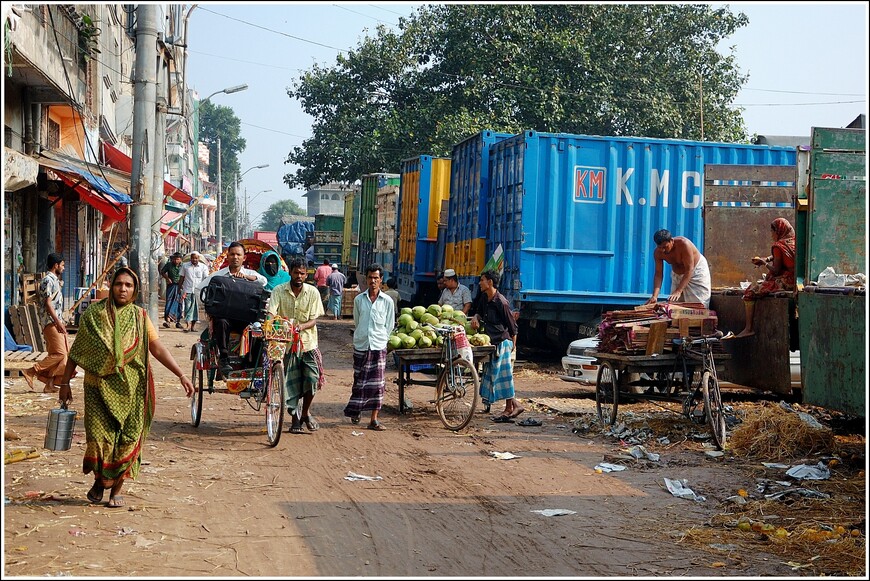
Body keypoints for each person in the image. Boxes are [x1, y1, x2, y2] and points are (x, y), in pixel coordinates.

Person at [56, 267, 194, 508]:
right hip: (97, 388)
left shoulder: (140, 317)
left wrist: (180, 374)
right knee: (99, 439)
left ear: (134, 290)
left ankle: (115, 491)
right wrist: (65, 383)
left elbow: (157, 348)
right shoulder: (94, 315)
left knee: (128, 438)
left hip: (133, 390)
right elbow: (77, 352)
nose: (123, 289)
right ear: (112, 285)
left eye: (128, 286)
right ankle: (100, 480)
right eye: (119, 284)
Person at [268, 258, 326, 434]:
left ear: (306, 273)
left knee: (312, 380)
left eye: (302, 273)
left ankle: (305, 413)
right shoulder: (278, 291)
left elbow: (315, 319)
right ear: (290, 273)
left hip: (308, 343)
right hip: (286, 345)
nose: (299, 276)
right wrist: (269, 325)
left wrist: (301, 326)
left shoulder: (313, 292)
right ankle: (295, 419)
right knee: (291, 384)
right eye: (296, 273)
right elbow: (271, 312)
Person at [198, 241, 267, 377]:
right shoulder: (218, 276)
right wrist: (208, 308)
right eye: (232, 254)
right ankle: (224, 358)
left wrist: (248, 278)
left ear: (244, 258)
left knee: (257, 330)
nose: (235, 257)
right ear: (227, 256)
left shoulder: (250, 273)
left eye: (238, 255)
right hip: (225, 319)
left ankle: (250, 363)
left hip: (244, 319)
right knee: (221, 322)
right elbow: (199, 289)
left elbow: (263, 281)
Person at [344, 263, 395, 430]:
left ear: (381, 280)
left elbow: (389, 325)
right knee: (359, 381)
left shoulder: (387, 301)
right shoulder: (359, 299)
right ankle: (357, 410)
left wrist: (382, 340)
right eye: (370, 278)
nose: (373, 281)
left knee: (378, 384)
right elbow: (358, 322)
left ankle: (374, 419)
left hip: (378, 346)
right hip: (361, 345)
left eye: (376, 278)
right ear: (366, 280)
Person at [470, 269, 521, 422]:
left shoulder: (501, 302)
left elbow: (513, 328)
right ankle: (513, 406)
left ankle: (511, 408)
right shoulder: (485, 298)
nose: (479, 283)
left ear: (490, 282)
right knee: (498, 377)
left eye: (482, 280)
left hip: (503, 343)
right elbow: (479, 312)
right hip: (491, 342)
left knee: (504, 377)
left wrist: (512, 347)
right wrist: (476, 318)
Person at [736, 217, 797, 338]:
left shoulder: (778, 246)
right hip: (795, 280)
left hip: (786, 282)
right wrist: (767, 259)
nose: (771, 235)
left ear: (778, 231)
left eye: (772, 231)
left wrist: (764, 264)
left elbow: (776, 271)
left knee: (749, 292)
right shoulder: (793, 241)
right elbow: (782, 258)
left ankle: (748, 328)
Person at [22, 253, 68, 393]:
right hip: (50, 322)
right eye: (63, 265)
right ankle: (31, 371)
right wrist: (58, 322)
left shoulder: (54, 280)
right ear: (56, 265)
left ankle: (50, 383)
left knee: (63, 355)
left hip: (55, 321)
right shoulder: (48, 280)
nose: (64, 268)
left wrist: (61, 321)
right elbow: (48, 304)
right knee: (60, 354)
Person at [645, 229, 711, 307]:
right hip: (677, 275)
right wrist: (655, 296)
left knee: (699, 305)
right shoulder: (657, 253)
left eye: (665, 247)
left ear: (672, 241)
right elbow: (658, 274)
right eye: (660, 247)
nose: (663, 250)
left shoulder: (684, 244)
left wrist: (679, 291)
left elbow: (689, 269)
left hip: (695, 272)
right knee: (675, 306)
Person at [179, 251, 209, 333]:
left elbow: (206, 278)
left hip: (198, 291)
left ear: (198, 258)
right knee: (188, 308)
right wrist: (179, 288)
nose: (194, 259)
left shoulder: (203, 267)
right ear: (190, 258)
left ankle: (193, 326)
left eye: (196, 258)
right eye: (193, 258)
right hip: (187, 290)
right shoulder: (185, 266)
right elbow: (181, 277)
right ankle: (188, 325)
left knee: (195, 309)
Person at [160, 252, 184, 328]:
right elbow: (162, 272)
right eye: (174, 259)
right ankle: (168, 321)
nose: (176, 261)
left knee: (178, 303)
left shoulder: (183, 266)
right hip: (171, 286)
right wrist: (167, 278)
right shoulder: (169, 265)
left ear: (180, 259)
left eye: (177, 259)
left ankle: (178, 321)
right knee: (169, 302)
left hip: (180, 287)